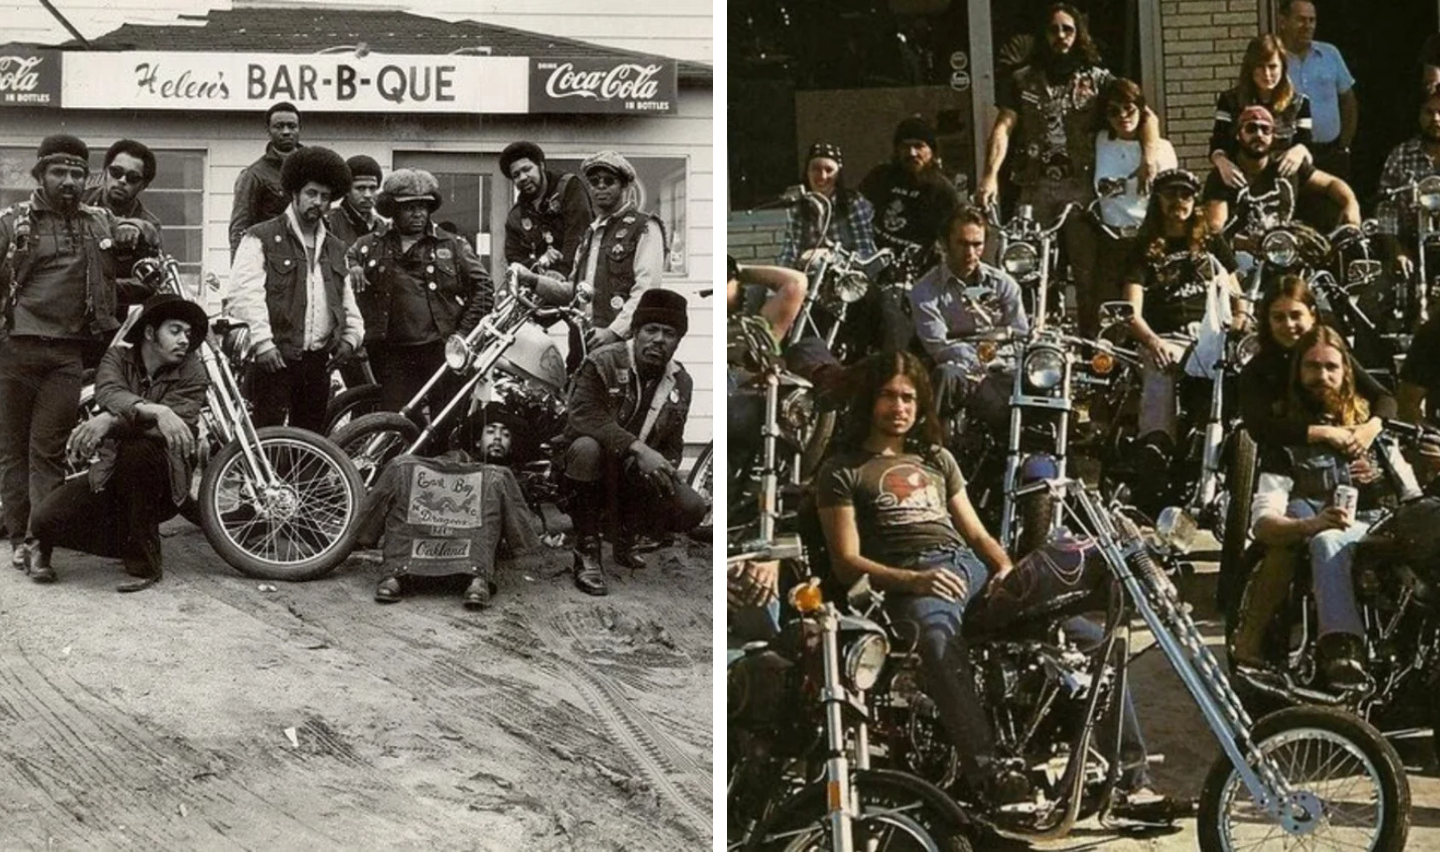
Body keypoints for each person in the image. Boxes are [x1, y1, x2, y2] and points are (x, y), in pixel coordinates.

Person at [816, 350, 1169, 811]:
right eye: (888, 396)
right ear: (868, 400)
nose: (898, 407)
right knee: (940, 644)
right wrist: (916, 580)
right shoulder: (842, 470)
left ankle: (1130, 780)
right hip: (910, 581)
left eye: (908, 398)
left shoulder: (936, 460)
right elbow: (846, 562)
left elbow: (978, 533)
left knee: (1086, 636)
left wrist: (1005, 569)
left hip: (969, 568)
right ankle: (993, 775)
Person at [0, 134, 158, 574]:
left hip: (67, 355)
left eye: (76, 173)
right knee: (12, 450)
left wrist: (137, 228)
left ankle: (40, 543)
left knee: (46, 450)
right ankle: (19, 537)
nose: (68, 181)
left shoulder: (97, 221)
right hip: (14, 351)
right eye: (58, 172)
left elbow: (152, 232)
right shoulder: (12, 223)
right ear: (40, 175)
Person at [1238, 326, 1418, 685]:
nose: (1322, 376)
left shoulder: (1374, 428)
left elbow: (1411, 494)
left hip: (1382, 526)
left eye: (1331, 367)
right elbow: (1264, 520)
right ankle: (1342, 646)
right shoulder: (1286, 439)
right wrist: (1311, 525)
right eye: (1313, 367)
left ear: (1346, 371)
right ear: (1298, 372)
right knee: (1328, 540)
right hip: (1322, 531)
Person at [977, 4, 1163, 337]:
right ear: (1043, 34)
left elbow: (1146, 115)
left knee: (1087, 276)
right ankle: (1028, 343)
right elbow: (1004, 126)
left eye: (1068, 29)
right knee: (1025, 270)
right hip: (1035, 188)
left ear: (1079, 34)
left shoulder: (1098, 79)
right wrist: (990, 175)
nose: (1061, 36)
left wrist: (1149, 158)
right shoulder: (1022, 80)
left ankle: (1091, 350)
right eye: (1054, 29)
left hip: (1081, 191)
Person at [1227, 276, 1393, 616]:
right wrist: (1323, 433)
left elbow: (1384, 397)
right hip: (1287, 463)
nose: (1289, 325)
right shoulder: (1258, 370)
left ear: (1312, 315)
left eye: (1296, 315)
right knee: (1281, 539)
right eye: (1278, 317)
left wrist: (1369, 430)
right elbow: (1259, 427)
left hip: (1347, 459)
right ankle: (1252, 633)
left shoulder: (1329, 350)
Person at [29, 293, 208, 590]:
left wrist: (111, 422)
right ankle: (129, 540)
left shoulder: (192, 369)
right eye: (175, 330)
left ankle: (145, 562)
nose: (184, 340)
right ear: (150, 333)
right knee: (44, 521)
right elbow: (108, 392)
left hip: (162, 478)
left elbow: (177, 426)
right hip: (110, 472)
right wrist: (156, 410)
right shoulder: (118, 357)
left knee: (139, 451)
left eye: (188, 333)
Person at [561, 288, 706, 596]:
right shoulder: (602, 361)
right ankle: (587, 549)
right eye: (650, 330)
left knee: (691, 506)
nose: (658, 340)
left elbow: (674, 443)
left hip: (630, 474)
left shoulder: (681, 381)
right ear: (635, 332)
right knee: (587, 448)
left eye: (669, 333)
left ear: (678, 341)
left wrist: (664, 468)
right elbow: (583, 417)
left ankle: (627, 532)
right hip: (584, 468)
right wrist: (638, 450)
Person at [1122, 169, 1245, 505]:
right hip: (1166, 337)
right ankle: (1155, 451)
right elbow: (1131, 311)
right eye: (1171, 194)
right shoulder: (1143, 249)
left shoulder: (1212, 242)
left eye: (1187, 195)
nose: (1179, 201)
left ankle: (1240, 457)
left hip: (1212, 335)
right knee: (1160, 369)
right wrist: (1151, 341)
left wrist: (1238, 323)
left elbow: (1238, 296)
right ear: (1158, 200)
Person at [228, 146, 365, 433]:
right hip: (273, 360)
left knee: (311, 439)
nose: (318, 202)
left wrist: (351, 338)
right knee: (266, 437)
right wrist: (262, 343)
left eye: (325, 197)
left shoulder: (336, 247)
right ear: (295, 193)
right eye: (311, 193)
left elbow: (346, 300)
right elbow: (244, 295)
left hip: (317, 363)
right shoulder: (260, 237)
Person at [346, 168, 493, 415]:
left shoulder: (452, 245)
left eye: (423, 206)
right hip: (394, 354)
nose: (418, 214)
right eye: (409, 207)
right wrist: (353, 267)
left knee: (443, 422)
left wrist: (463, 335)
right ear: (393, 209)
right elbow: (344, 259)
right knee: (396, 420)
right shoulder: (371, 244)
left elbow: (484, 287)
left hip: (440, 350)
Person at [909, 205, 1028, 436]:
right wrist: (979, 362)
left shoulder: (1004, 284)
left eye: (977, 245)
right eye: (962, 244)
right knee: (945, 374)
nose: (970, 253)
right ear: (945, 243)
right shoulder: (925, 290)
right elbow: (939, 345)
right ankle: (932, 450)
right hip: (958, 370)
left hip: (1002, 369)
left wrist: (995, 362)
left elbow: (1020, 336)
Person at [1091, 78, 1177, 336]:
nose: (1122, 117)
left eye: (1129, 109)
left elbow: (1174, 199)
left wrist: (1149, 157)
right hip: (1113, 239)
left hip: (1148, 239)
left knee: (1148, 312)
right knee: (1111, 316)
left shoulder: (1160, 149)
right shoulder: (1101, 141)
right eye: (1114, 111)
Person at [1202, 105, 1359, 244]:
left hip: (1288, 251)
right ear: (1238, 135)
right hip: (1244, 259)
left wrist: (1351, 205)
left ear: (1273, 136)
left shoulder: (1287, 165)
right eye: (1251, 128)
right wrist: (1248, 243)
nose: (1259, 134)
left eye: (1265, 129)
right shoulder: (1225, 174)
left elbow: (1331, 184)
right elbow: (1216, 228)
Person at [571, 151, 666, 353]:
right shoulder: (589, 233)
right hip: (583, 341)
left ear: (625, 186)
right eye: (595, 182)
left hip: (622, 344)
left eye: (609, 181)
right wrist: (536, 281)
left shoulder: (644, 227)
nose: (601, 186)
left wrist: (614, 331)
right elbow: (575, 289)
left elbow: (646, 290)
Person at [1209, 35, 1315, 190]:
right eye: (1260, 66)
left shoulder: (1299, 103)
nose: (1267, 74)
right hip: (1240, 180)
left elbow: (1307, 143)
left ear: (1283, 67)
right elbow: (1218, 142)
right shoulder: (1229, 100)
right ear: (1250, 69)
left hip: (1286, 182)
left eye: (1272, 67)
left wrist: (1299, 150)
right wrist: (1222, 162)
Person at [83, 139, 165, 317]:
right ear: (105, 172)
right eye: (116, 172)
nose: (121, 181)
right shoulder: (79, 203)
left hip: (112, 315)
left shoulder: (149, 225)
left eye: (132, 177)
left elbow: (150, 284)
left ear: (143, 185)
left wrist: (100, 286)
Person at [1278, 0, 1358, 179]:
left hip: (1330, 154)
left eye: (1311, 20)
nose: (1307, 26)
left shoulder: (1330, 54)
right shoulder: (1274, 60)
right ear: (1283, 22)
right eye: (1300, 19)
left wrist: (1344, 145)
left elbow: (1348, 101)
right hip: (1289, 156)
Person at [777, 142, 877, 269]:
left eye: (829, 170)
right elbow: (789, 254)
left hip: (847, 279)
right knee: (758, 288)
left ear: (838, 174)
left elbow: (866, 253)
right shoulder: (798, 207)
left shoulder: (853, 203)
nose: (822, 176)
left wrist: (829, 256)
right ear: (807, 172)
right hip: (810, 278)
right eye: (816, 169)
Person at [1375, 89, 1440, 282]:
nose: (1436, 119)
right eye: (1429, 112)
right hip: (1412, 248)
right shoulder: (1401, 155)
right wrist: (1397, 252)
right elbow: (1385, 210)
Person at [501, 141, 592, 278]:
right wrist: (540, 263)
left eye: (527, 169)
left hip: (579, 280)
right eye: (516, 175)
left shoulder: (568, 187)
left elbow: (579, 235)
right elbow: (514, 258)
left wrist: (561, 272)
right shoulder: (516, 216)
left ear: (541, 166)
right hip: (542, 287)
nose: (523, 178)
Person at [229, 101, 303, 261]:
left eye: (292, 126)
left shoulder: (313, 168)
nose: (286, 132)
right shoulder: (254, 175)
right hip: (273, 260)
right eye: (279, 126)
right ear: (268, 130)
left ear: (299, 129)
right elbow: (240, 227)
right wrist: (239, 271)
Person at [327, 155, 385, 249]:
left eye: (372, 188)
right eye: (360, 188)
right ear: (346, 190)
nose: (368, 195)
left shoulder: (380, 225)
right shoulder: (330, 223)